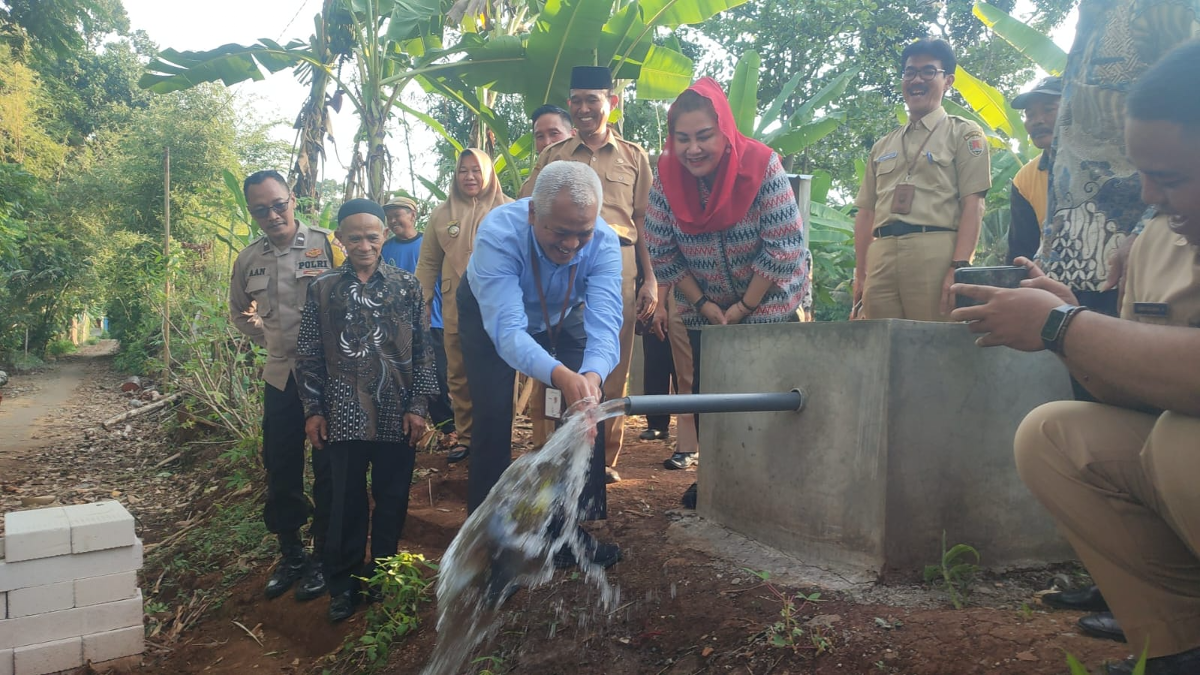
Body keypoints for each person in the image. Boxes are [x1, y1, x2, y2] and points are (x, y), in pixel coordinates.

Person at [951, 39, 1200, 675]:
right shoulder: (1158, 241)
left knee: (1183, 441)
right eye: (1143, 174)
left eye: (1171, 178)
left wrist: (1064, 326)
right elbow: (1132, 395)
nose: (1149, 196)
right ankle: (1180, 644)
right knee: (1053, 434)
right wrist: (1069, 323)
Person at [644, 78, 810, 499]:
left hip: (768, 301)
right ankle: (717, 483)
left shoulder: (762, 165)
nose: (692, 149)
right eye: (682, 139)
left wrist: (743, 308)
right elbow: (661, 248)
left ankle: (772, 487)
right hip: (703, 306)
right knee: (708, 394)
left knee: (766, 392)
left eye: (704, 136)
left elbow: (784, 243)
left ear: (725, 131)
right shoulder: (665, 176)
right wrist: (703, 303)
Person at [459, 160, 623, 568]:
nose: (572, 245)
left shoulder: (604, 242)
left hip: (563, 314)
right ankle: (489, 542)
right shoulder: (498, 234)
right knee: (492, 415)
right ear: (533, 213)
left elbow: (606, 327)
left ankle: (567, 531)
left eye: (583, 233)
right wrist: (560, 375)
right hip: (490, 315)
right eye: (560, 232)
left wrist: (589, 378)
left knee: (588, 411)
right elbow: (509, 332)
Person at [295, 198, 437, 622]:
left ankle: (384, 574)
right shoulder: (322, 289)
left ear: (384, 236)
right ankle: (344, 584)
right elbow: (308, 353)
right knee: (344, 502)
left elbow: (423, 351)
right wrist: (313, 409)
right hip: (342, 414)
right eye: (354, 238)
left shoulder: (406, 286)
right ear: (340, 238)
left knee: (392, 498)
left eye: (372, 237)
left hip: (397, 411)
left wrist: (418, 406)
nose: (364, 245)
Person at [520, 65, 658, 482]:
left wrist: (650, 279)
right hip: (560, 262)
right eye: (576, 100)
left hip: (617, 263)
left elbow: (643, 221)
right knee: (550, 354)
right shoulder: (553, 156)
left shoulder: (634, 156)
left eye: (592, 100)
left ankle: (602, 459)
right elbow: (528, 210)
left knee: (612, 360)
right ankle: (546, 449)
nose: (583, 108)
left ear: (610, 103)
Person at [1039, 0, 1198, 317]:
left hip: (1141, 251)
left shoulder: (1159, 7)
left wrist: (1143, 233)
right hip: (1072, 259)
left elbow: (1184, 103)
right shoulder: (1089, 16)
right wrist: (1048, 250)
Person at [229, 170, 338, 603]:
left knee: (329, 467)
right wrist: (270, 339)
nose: (273, 215)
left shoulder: (328, 245)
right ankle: (292, 553)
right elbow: (240, 312)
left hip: (329, 377)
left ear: (292, 199)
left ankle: (325, 555)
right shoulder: (248, 260)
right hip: (281, 378)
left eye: (278, 205)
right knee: (281, 464)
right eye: (261, 210)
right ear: (252, 213)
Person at [853, 38, 992, 320]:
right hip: (881, 256)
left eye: (928, 71)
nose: (917, 80)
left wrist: (958, 267)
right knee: (879, 340)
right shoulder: (883, 145)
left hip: (935, 253)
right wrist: (861, 274)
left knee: (933, 339)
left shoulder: (964, 133)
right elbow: (866, 213)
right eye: (910, 72)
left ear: (948, 81)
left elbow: (973, 205)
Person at [416, 149, 512, 464]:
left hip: (499, 306)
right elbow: (428, 263)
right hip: (455, 306)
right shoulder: (441, 214)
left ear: (489, 174)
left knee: (500, 373)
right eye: (462, 171)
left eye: (476, 170)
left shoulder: (509, 209)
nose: (469, 177)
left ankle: (499, 438)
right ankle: (467, 437)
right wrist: (422, 303)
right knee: (458, 373)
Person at [381, 195, 455, 441]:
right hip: (397, 326)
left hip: (432, 321)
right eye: (389, 217)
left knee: (438, 377)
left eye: (398, 215)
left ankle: (449, 428)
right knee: (403, 377)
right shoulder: (385, 248)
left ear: (413, 215)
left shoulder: (429, 243)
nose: (393, 221)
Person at [1007, 76, 1062, 264]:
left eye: (1049, 110)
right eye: (1030, 115)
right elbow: (1021, 251)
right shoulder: (1024, 180)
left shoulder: (1107, 164)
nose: (1037, 121)